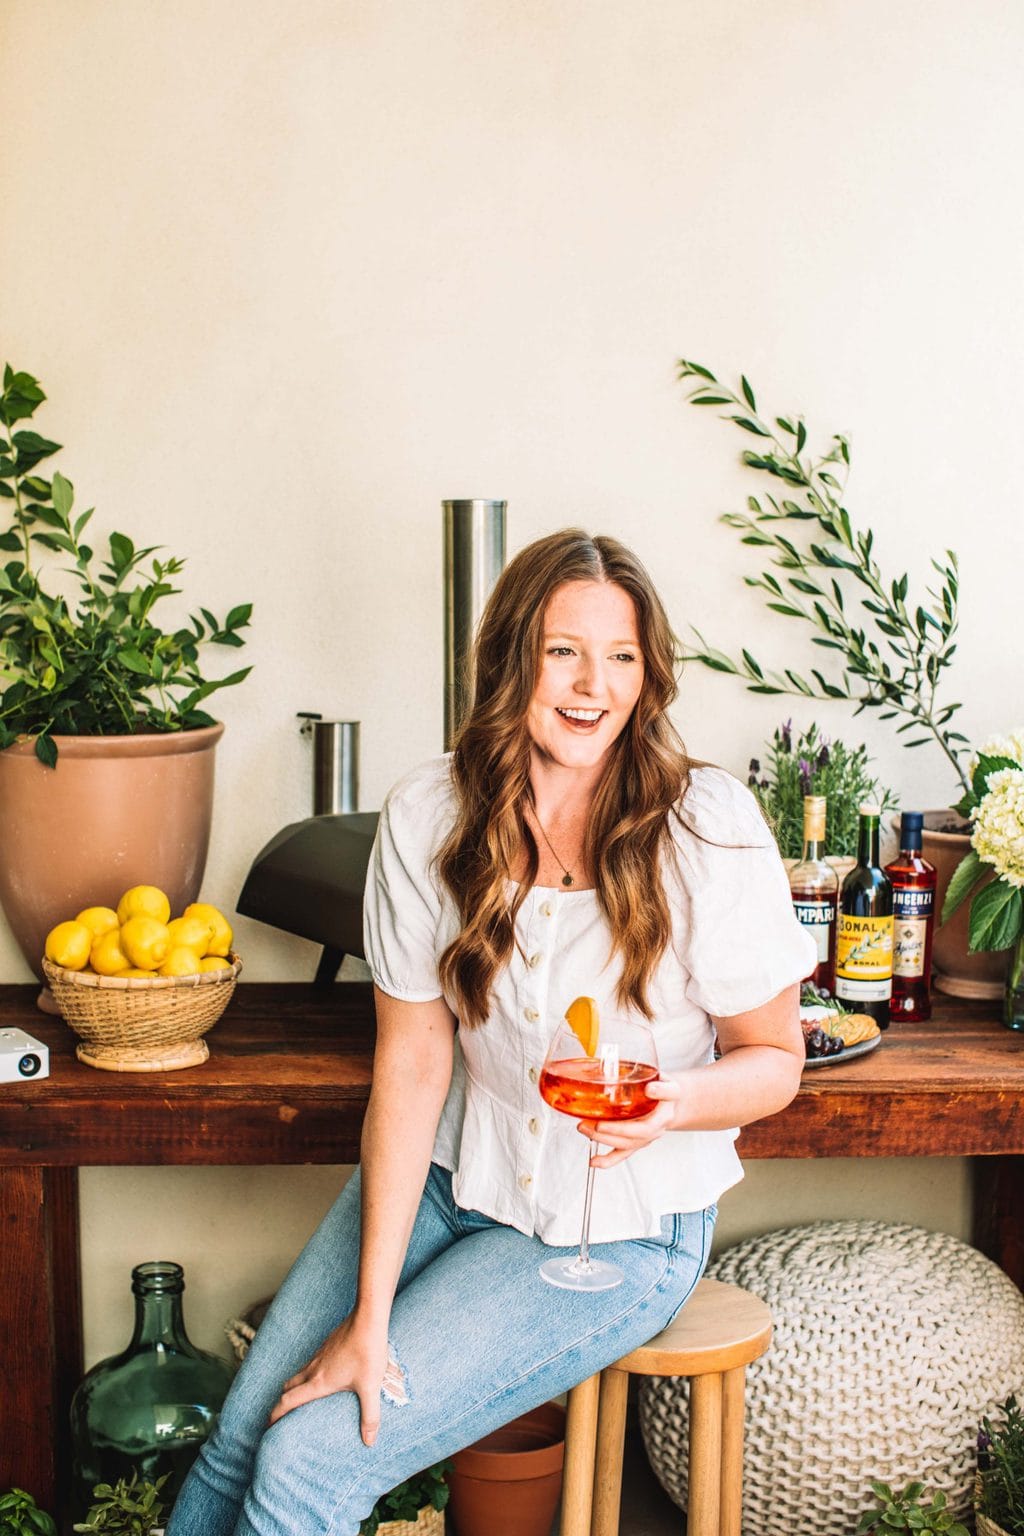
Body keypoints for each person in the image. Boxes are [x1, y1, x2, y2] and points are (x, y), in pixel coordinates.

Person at [168, 528, 815, 1536]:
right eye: (563, 650)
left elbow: (775, 1062)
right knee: (247, 1427)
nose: (591, 683)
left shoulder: (705, 826)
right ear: (512, 657)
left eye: (621, 656)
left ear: (649, 675)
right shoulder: (431, 814)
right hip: (449, 1177)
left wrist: (667, 1103)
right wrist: (366, 1318)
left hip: (618, 1227)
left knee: (309, 1461)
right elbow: (417, 1063)